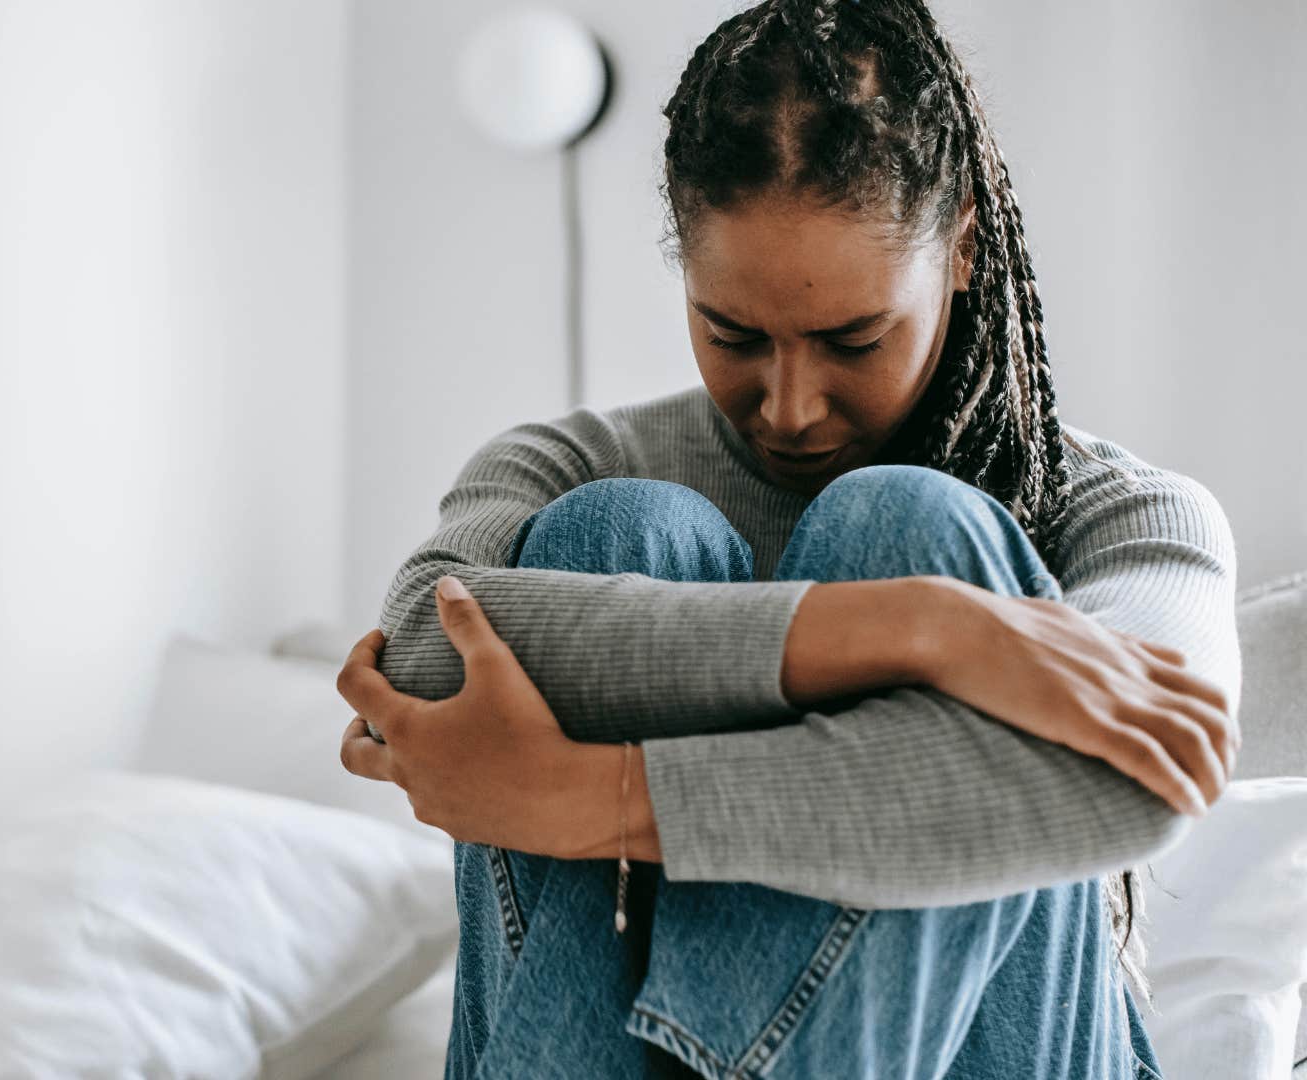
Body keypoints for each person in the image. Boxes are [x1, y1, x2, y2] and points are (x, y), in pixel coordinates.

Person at [334, 0, 1242, 1076]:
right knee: (617, 530)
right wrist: (921, 628)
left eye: (853, 338)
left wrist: (599, 798)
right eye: (733, 334)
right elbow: (424, 651)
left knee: (912, 524)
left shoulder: (1121, 511)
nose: (791, 406)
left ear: (959, 250)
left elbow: (1147, 776)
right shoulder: (566, 460)